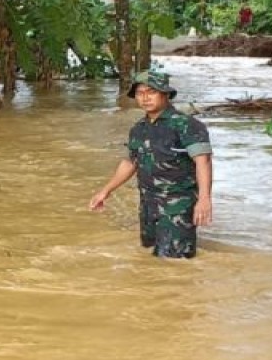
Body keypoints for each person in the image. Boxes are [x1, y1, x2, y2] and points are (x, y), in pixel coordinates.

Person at [89, 70, 213, 259]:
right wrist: (106, 191)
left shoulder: (186, 125)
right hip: (148, 204)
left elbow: (203, 162)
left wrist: (204, 199)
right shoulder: (139, 128)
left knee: (173, 263)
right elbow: (131, 162)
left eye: (151, 92)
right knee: (150, 257)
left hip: (177, 205)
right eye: (140, 93)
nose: (145, 98)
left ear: (166, 94)